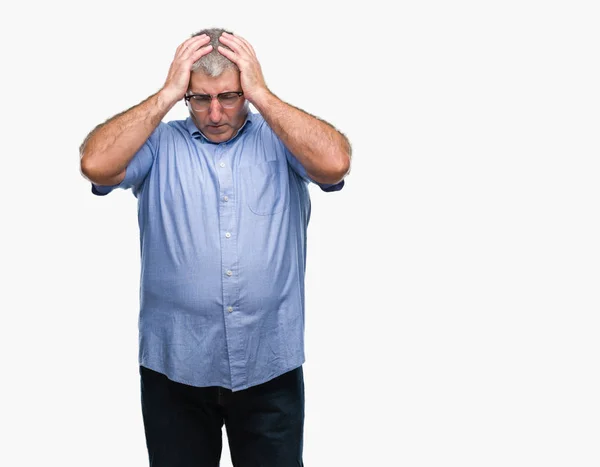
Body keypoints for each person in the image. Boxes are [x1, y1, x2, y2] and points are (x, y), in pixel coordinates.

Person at [79, 27, 351, 467]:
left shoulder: (280, 140)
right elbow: (96, 164)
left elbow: (335, 163)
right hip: (176, 369)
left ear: (246, 90)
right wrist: (167, 92)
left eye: (229, 96)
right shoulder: (161, 143)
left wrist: (262, 94)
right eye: (200, 99)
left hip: (269, 365)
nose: (216, 113)